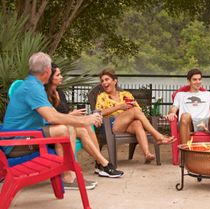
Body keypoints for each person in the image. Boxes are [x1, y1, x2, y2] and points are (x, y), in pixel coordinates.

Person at [2, 52, 102, 190]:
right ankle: (67, 176)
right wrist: (85, 120)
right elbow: (52, 117)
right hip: (16, 143)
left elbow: (52, 114)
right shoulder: (32, 88)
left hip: (24, 137)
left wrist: (77, 121)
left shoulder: (32, 85)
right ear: (48, 71)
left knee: (68, 127)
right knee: (64, 130)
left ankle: (70, 175)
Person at [45, 63, 123, 178]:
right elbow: (53, 117)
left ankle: (102, 164)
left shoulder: (60, 93)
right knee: (83, 128)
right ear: (50, 77)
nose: (61, 77)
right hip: (55, 128)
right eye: (58, 75)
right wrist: (73, 115)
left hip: (63, 124)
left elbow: (64, 113)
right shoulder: (45, 95)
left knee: (85, 127)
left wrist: (76, 115)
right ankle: (102, 164)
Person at [95, 68, 176, 163]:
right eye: (102, 81)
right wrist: (119, 107)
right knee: (134, 111)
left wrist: (129, 110)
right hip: (112, 124)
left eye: (107, 79)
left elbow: (138, 110)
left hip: (127, 124)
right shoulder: (102, 97)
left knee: (137, 123)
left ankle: (147, 154)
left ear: (115, 81)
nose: (104, 82)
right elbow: (99, 113)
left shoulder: (126, 94)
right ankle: (158, 136)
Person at [165, 68, 210, 144]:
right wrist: (172, 113)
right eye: (194, 79)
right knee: (185, 116)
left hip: (206, 123)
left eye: (199, 79)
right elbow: (174, 108)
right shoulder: (180, 95)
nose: (198, 82)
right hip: (189, 123)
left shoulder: (209, 94)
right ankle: (185, 152)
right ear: (189, 81)